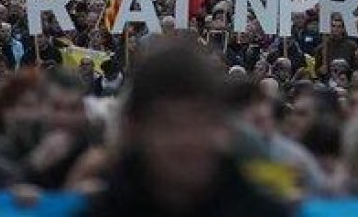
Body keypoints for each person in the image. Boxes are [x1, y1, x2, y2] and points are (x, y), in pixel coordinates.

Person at [83, 37, 289, 217]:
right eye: (168, 125)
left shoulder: (263, 211)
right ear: (134, 129)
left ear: (223, 127)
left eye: (200, 122)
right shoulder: (99, 209)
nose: (187, 140)